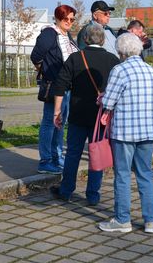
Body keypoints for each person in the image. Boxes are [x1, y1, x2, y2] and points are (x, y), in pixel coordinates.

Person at [98, 33, 153, 234]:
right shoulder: (150, 70)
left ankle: (123, 220)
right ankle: (150, 220)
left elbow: (109, 102)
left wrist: (102, 99)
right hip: (148, 130)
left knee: (123, 175)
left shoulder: (119, 70)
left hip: (125, 131)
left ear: (121, 52)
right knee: (145, 174)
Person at [50, 24, 119, 204]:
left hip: (78, 114)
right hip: (101, 117)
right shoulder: (113, 60)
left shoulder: (75, 58)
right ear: (103, 40)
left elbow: (60, 86)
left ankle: (66, 191)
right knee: (97, 154)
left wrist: (57, 112)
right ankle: (93, 194)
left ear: (85, 39)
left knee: (73, 153)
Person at [31, 4, 78, 174]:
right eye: (66, 18)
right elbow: (36, 56)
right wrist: (45, 71)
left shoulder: (66, 35)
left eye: (72, 19)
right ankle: (45, 160)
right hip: (54, 85)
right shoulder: (50, 33)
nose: (69, 22)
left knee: (60, 123)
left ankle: (57, 156)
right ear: (58, 18)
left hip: (67, 86)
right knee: (50, 122)